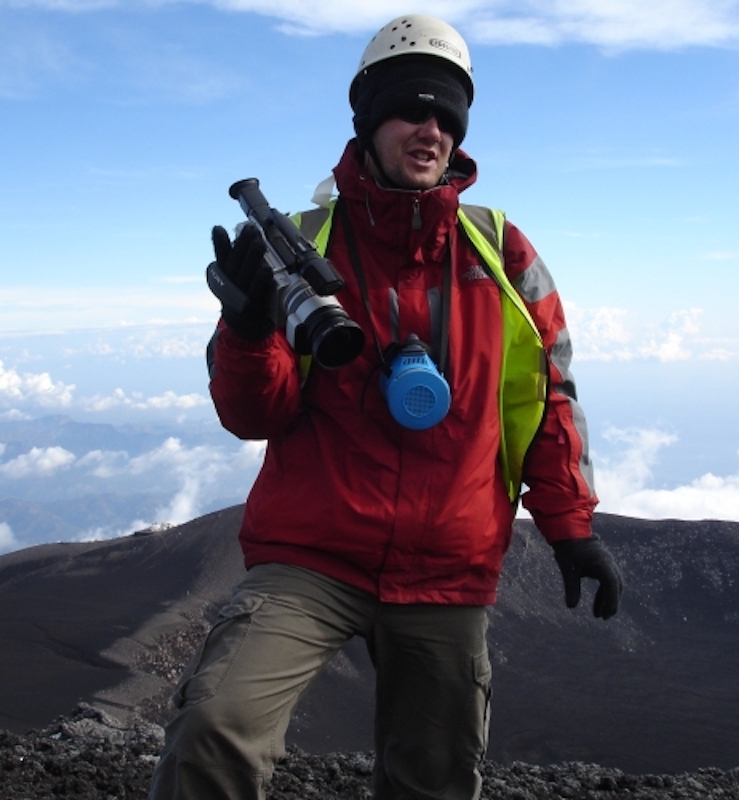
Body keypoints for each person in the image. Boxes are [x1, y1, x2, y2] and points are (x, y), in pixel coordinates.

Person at [149, 13, 623, 800]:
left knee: (435, 779)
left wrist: (570, 526)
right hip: (312, 552)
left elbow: (545, 398)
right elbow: (252, 415)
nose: (430, 128)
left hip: (447, 566)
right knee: (214, 727)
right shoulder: (298, 241)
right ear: (368, 121)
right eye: (410, 108)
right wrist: (245, 327)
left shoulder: (502, 250)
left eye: (447, 115)